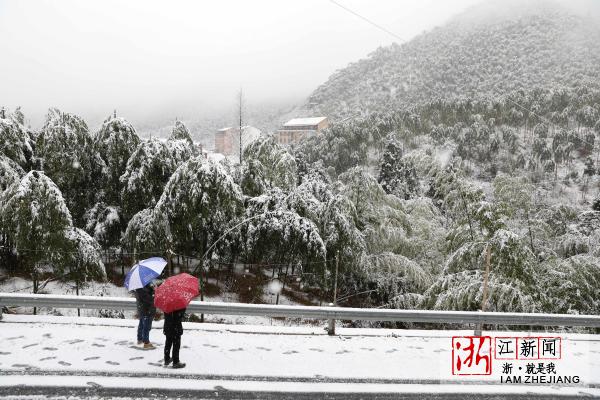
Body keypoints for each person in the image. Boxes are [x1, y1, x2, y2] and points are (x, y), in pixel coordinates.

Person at [135, 282, 156, 349]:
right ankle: (146, 342)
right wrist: (154, 293)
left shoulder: (139, 287)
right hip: (147, 310)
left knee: (141, 325)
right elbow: (148, 299)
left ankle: (140, 339)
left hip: (143, 309)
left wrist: (152, 289)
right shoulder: (141, 289)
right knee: (146, 327)